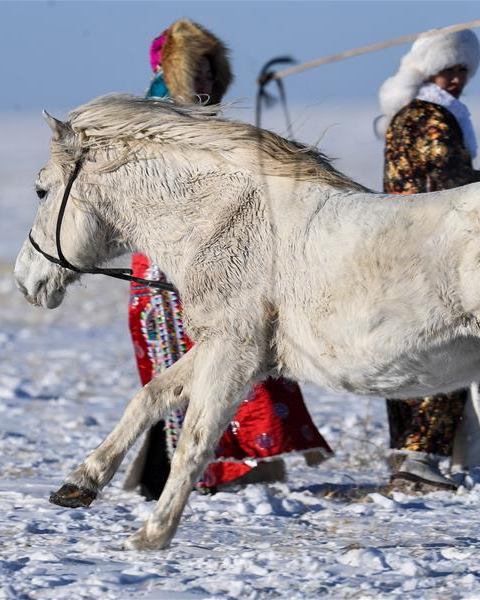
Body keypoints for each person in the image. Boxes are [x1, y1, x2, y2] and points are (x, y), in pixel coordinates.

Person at [123, 19, 332, 500]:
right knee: (205, 360)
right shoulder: (159, 123)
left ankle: (222, 465)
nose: (207, 83)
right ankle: (210, 467)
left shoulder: (198, 120)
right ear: (173, 72)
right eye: (198, 71)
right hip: (169, 264)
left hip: (207, 254)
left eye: (212, 73)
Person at [376, 28, 480, 490]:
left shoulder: (409, 114)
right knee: (451, 348)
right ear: (431, 71)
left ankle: (409, 452)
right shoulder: (433, 117)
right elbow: (449, 181)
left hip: (401, 246)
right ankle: (421, 457)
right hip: (431, 251)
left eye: (463, 71)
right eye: (450, 70)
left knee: (409, 349)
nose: (457, 79)